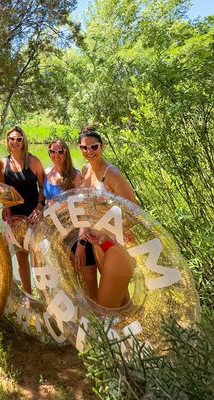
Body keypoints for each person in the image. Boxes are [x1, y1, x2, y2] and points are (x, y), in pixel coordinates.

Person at [76, 125, 136, 308]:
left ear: (102, 147)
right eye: (84, 147)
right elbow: (85, 211)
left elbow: (134, 213)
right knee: (122, 306)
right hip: (97, 245)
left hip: (115, 247)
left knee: (105, 311)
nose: (89, 151)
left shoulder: (112, 174)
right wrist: (82, 239)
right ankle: (136, 336)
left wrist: (109, 235)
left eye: (94, 147)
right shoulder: (85, 171)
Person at [0, 126, 45, 295]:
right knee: (21, 255)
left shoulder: (34, 162)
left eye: (19, 139)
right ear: (8, 141)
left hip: (34, 215)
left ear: (23, 141)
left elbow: (43, 187)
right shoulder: (3, 163)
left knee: (38, 256)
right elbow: (3, 190)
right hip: (16, 217)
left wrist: (40, 206)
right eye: (12, 139)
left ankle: (44, 296)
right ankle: (28, 295)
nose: (15, 142)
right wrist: (6, 207)